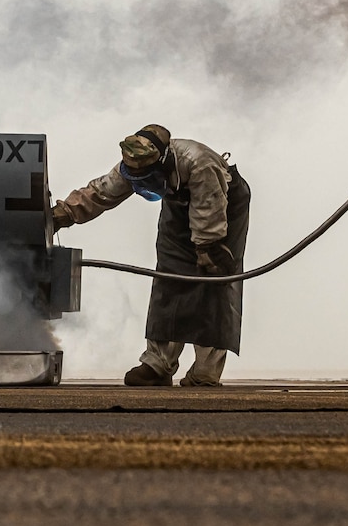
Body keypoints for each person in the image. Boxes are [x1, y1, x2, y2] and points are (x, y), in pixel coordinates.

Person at [50, 125, 250, 387]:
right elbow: (102, 192)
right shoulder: (134, 164)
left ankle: (205, 372)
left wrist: (207, 248)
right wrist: (63, 215)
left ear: (163, 162)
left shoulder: (200, 164)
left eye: (147, 178)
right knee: (169, 276)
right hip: (178, 203)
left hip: (222, 206)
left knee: (213, 284)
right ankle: (158, 365)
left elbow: (209, 209)